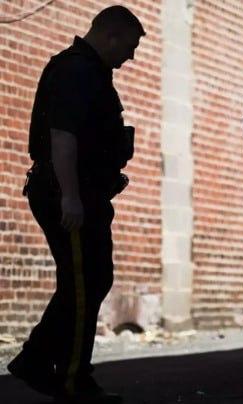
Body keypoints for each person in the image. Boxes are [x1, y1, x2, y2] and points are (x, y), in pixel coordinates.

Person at [7, 6, 144, 404]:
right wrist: (70, 195)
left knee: (90, 279)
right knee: (85, 283)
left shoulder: (90, 71)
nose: (131, 57)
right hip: (68, 192)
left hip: (83, 191)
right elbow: (62, 137)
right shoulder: (77, 71)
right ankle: (73, 380)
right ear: (111, 36)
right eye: (129, 47)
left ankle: (36, 359)